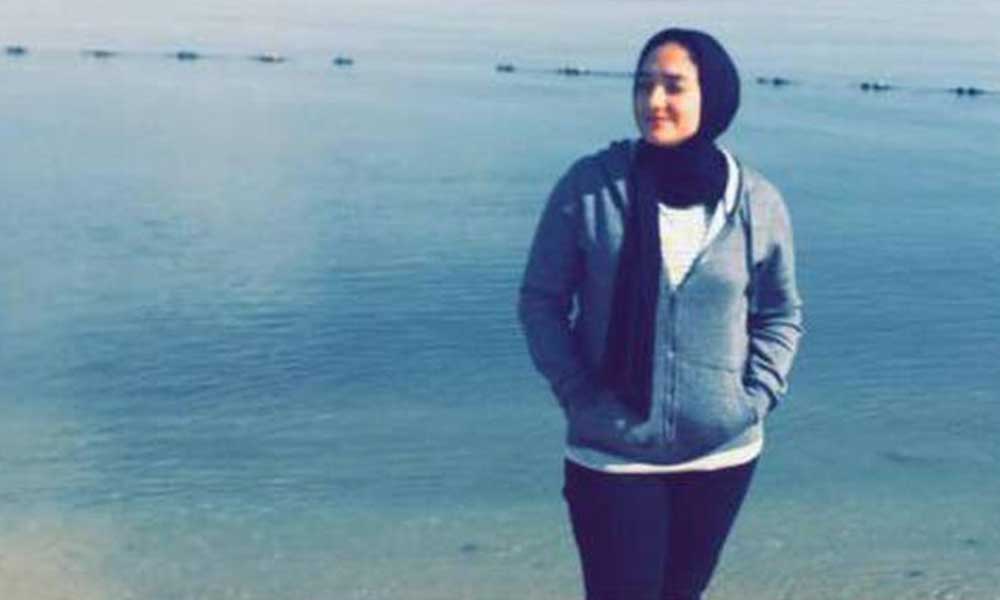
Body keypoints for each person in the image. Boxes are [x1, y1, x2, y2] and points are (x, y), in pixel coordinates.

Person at [517, 28, 804, 600]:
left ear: (712, 94)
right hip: (613, 453)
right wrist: (578, 392)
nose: (654, 101)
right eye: (643, 84)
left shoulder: (755, 201)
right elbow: (540, 301)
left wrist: (754, 397)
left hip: (722, 454)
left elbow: (780, 311)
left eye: (673, 86)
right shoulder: (591, 189)